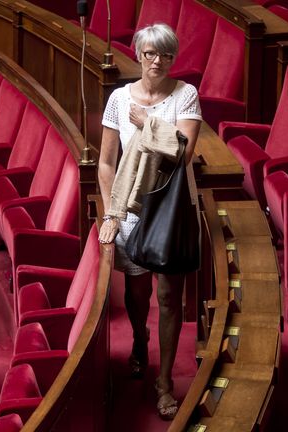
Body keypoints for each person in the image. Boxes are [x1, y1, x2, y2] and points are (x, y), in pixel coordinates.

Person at [97, 23, 202, 421]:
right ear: (138, 54)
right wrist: (110, 212)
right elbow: (107, 162)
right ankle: (140, 341)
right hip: (130, 213)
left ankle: (165, 383)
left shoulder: (186, 95)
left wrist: (148, 124)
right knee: (138, 295)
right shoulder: (119, 99)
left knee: (169, 299)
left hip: (170, 212)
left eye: (166, 55)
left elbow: (184, 152)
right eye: (150, 53)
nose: (157, 61)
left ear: (174, 58)